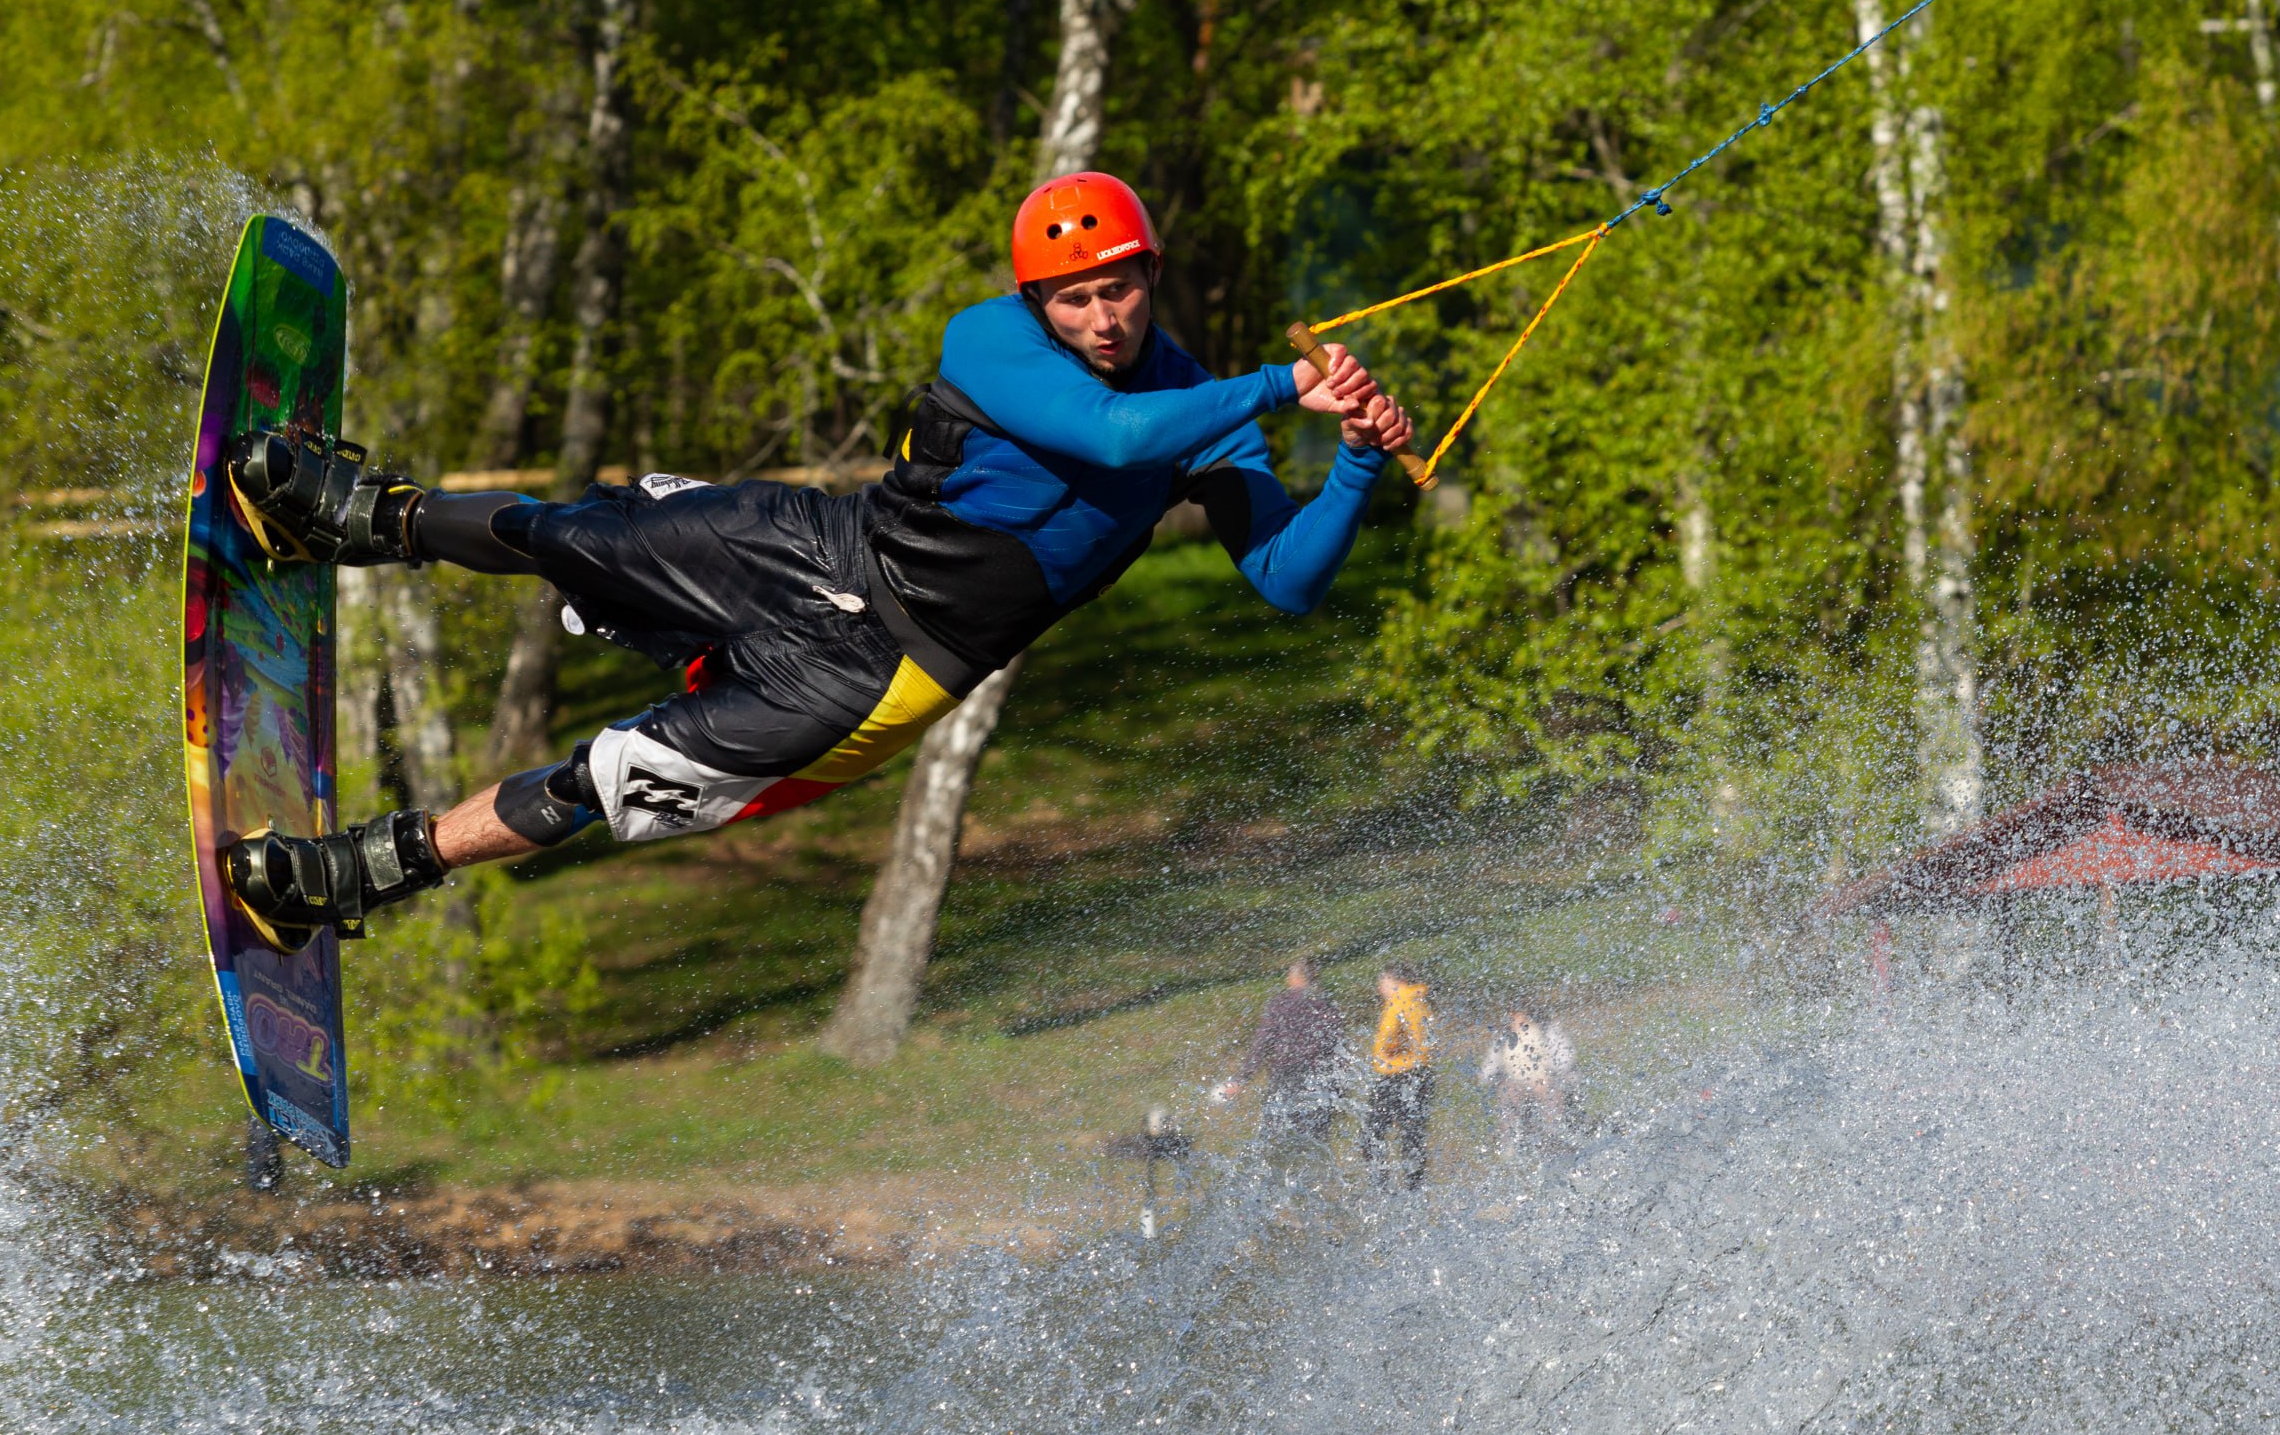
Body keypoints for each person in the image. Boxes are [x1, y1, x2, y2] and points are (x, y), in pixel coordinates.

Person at [212, 173, 1418, 944]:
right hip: (827, 545)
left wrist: (1357, 458)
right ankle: (362, 517)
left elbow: (1288, 581)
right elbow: (1103, 435)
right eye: (1075, 298)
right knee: (583, 531)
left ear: (1151, 276)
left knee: (610, 774)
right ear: (1035, 299)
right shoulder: (992, 338)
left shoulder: (1196, 408)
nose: (1102, 318)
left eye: (1120, 290)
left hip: (886, 671)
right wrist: (1272, 383)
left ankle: (355, 874)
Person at [1212, 958, 1350, 1146]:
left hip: (1286, 1077)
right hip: (1319, 1080)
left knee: (1277, 1137)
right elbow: (1339, 1047)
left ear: (1295, 977)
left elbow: (1262, 1044)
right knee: (1316, 1141)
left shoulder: (1280, 1004)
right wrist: (1340, 1089)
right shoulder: (1327, 1005)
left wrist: (1241, 1079)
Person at [1361, 965, 1434, 1190]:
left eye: (1381, 983)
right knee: (1412, 1136)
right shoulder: (1419, 999)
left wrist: (1383, 1052)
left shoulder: (1399, 1001)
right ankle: (1414, 1188)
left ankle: (1382, 1188)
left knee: (1370, 1135)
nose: (1379, 989)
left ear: (1393, 981)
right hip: (1422, 1073)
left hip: (1396, 1074)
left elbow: (1390, 1039)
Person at [1477, 1009, 1575, 1155]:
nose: (1515, 1020)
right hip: (1515, 1082)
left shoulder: (1545, 1029)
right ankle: (1509, 1143)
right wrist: (1494, 1079)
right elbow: (1488, 1069)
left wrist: (1552, 1075)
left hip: (1542, 1078)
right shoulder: (1503, 1036)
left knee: (1548, 1090)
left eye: (1518, 1016)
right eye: (1512, 1017)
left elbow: (1565, 1059)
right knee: (1507, 1092)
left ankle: (1554, 1136)